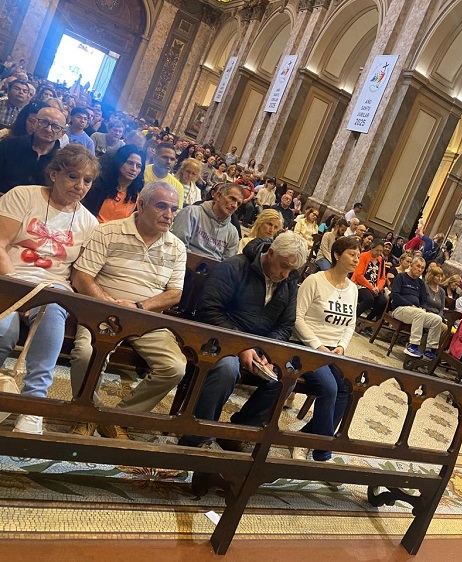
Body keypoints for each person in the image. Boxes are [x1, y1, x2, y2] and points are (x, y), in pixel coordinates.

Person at [69, 181, 187, 439]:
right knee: (86, 353)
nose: (169, 215)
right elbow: (81, 276)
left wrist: (139, 307)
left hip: (146, 318)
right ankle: (86, 415)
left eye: (173, 209)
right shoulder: (108, 232)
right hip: (103, 311)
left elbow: (174, 294)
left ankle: (117, 419)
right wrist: (108, 304)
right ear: (141, 205)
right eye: (161, 206)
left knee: (175, 367)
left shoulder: (177, 247)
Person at [0, 145, 100, 434]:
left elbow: (79, 274)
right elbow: (1, 244)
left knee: (54, 309)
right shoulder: (23, 196)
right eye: (72, 176)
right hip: (9, 278)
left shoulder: (89, 223)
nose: (80, 186)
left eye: (87, 180)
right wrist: (17, 291)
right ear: (54, 173)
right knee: (4, 329)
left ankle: (34, 405)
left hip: (52, 287)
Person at [180, 232, 309, 449]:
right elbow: (209, 309)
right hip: (219, 339)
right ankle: (196, 435)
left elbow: (286, 325)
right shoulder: (235, 267)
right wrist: (241, 346)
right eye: (283, 266)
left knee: (287, 376)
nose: (286, 275)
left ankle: (237, 432)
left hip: (259, 347)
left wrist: (268, 353)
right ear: (271, 253)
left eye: (292, 270)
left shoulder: (289, 281)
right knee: (227, 369)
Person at [291, 235, 360, 461]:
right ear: (337, 255)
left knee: (346, 389)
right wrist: (317, 345)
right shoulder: (315, 280)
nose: (356, 259)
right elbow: (297, 318)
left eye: (358, 256)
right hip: (307, 346)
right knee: (329, 388)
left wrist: (341, 346)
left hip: (334, 350)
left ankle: (303, 438)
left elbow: (350, 324)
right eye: (351, 254)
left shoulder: (353, 289)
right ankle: (322, 451)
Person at [0, 106, 66, 194]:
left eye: (56, 127)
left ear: (62, 133)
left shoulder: (62, 161)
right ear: (34, 123)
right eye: (44, 122)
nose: (48, 129)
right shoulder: (8, 145)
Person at [171, 182, 242, 261]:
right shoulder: (190, 213)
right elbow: (177, 247)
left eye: (238, 204)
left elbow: (227, 263)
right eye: (232, 199)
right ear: (218, 196)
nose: (234, 205)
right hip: (182, 263)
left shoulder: (233, 233)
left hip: (215, 268)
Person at [390, 256, 443, 360]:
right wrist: (410, 305)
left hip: (417, 312)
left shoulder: (421, 283)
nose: (419, 269)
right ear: (411, 265)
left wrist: (423, 308)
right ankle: (412, 345)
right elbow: (395, 295)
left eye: (422, 268)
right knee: (420, 313)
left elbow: (423, 301)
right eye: (418, 266)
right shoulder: (401, 277)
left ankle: (430, 349)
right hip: (400, 309)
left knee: (437, 319)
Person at [82, 144, 144, 223]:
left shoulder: (139, 193)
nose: (134, 169)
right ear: (119, 162)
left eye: (138, 166)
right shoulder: (99, 185)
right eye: (130, 163)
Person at [352, 238, 387, 321]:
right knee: (369, 299)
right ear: (372, 248)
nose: (378, 253)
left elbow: (383, 278)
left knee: (383, 301)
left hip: (375, 287)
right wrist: (371, 288)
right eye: (377, 250)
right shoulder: (363, 256)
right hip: (360, 284)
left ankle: (368, 321)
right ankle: (353, 318)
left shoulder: (381, 260)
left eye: (381, 251)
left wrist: (378, 288)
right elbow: (358, 275)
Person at [143, 143, 184, 209]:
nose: (169, 162)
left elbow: (176, 211)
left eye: (172, 159)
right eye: (165, 157)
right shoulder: (141, 172)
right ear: (154, 157)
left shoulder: (177, 187)